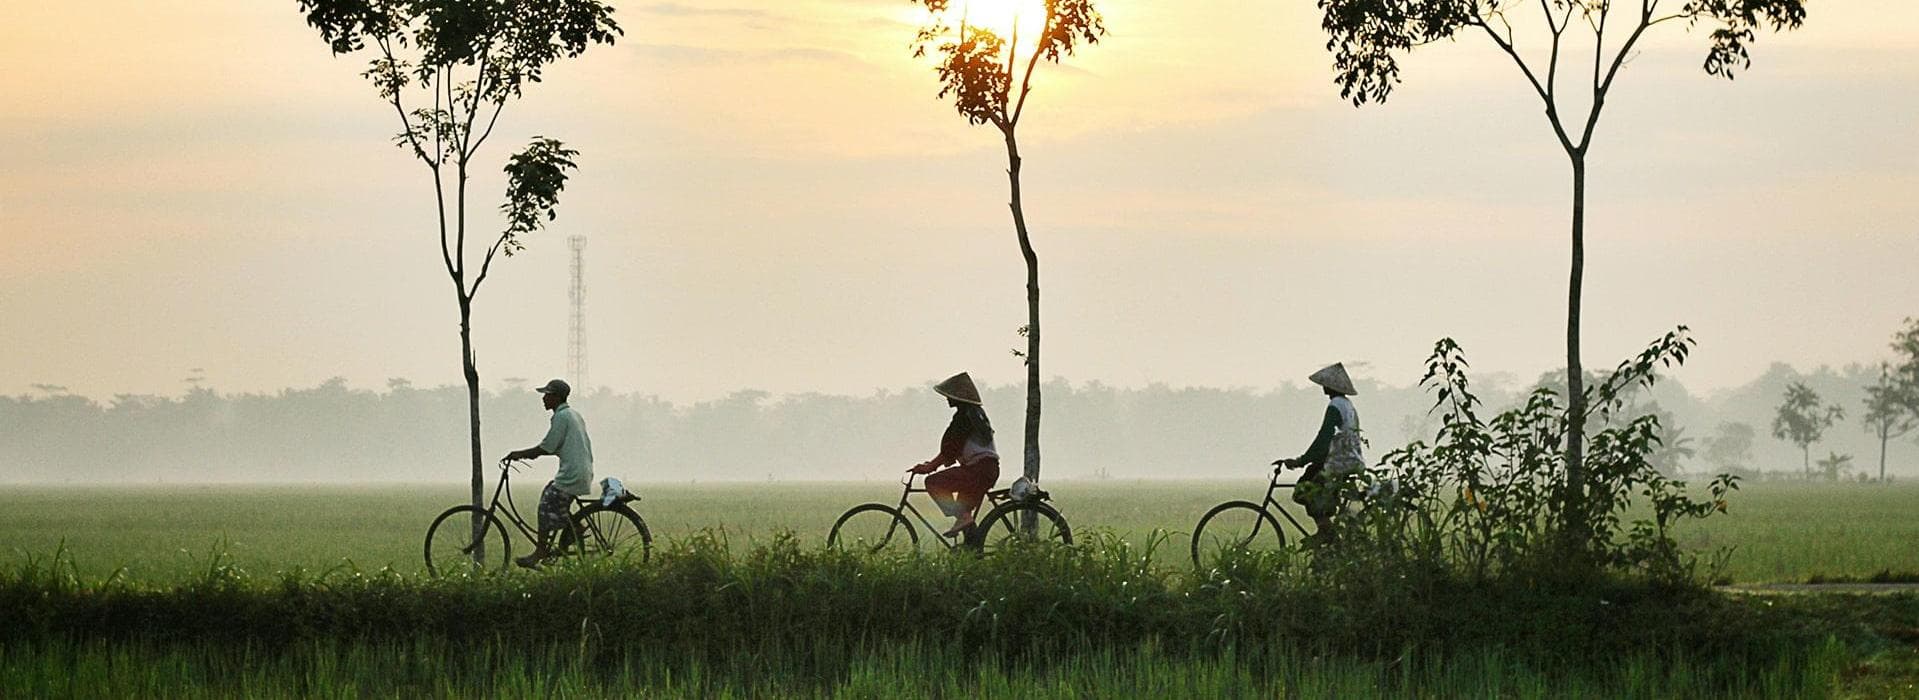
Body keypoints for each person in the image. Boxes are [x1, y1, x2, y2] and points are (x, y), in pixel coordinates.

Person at [502, 378, 593, 568]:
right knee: (554, 498)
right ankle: (573, 527)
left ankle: (541, 550)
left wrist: (519, 454)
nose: (543, 399)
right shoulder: (572, 414)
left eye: (547, 395)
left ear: (556, 397)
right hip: (580, 471)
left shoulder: (562, 417)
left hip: (572, 474)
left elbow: (547, 447)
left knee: (546, 503)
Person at [1276, 363, 1364, 540]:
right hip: (1351, 459)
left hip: (1339, 463)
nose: (1323, 387)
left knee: (1304, 489)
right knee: (1315, 479)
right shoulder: (1348, 405)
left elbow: (1323, 438)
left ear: (1330, 386)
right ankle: (1329, 532)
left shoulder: (1335, 406)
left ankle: (1326, 531)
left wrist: (1301, 460)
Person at [910, 372, 1000, 537]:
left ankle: (965, 518)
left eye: (950, 395)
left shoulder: (965, 417)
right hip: (985, 469)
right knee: (964, 517)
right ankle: (973, 552)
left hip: (978, 470)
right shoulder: (974, 413)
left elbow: (951, 448)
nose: (947, 398)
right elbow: (952, 448)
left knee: (934, 482)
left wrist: (929, 467)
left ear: (959, 397)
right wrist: (931, 464)